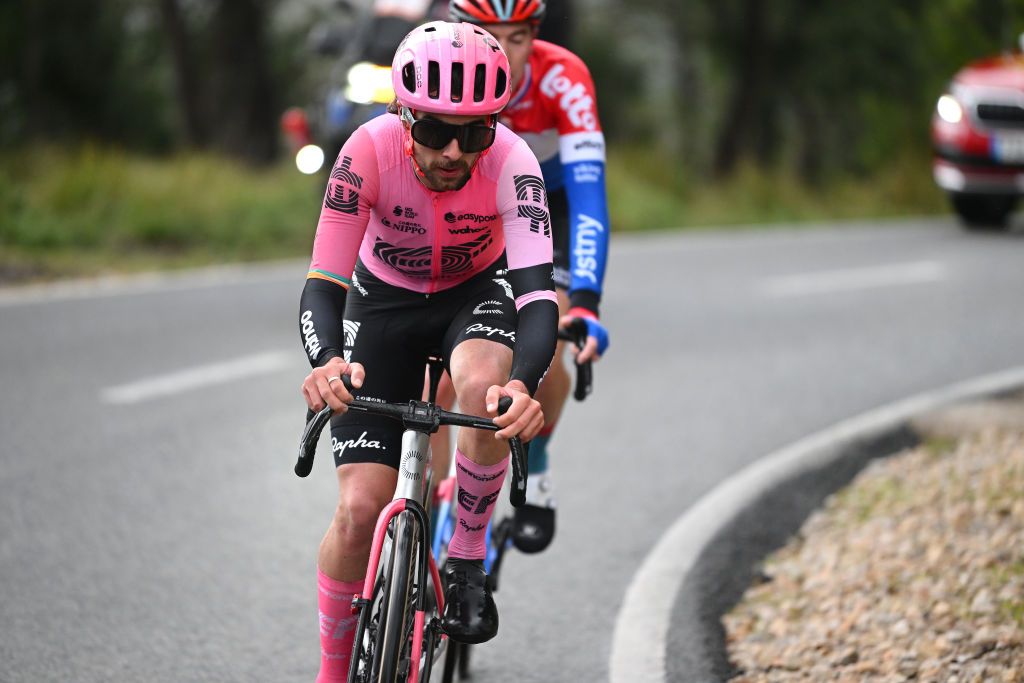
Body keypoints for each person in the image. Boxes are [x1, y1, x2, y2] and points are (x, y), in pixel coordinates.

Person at [298, 20, 558, 681]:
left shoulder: (515, 163)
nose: (453, 151)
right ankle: (332, 672)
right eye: (435, 130)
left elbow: (535, 301)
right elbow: (322, 284)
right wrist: (327, 360)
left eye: (474, 133)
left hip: (475, 295)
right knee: (359, 509)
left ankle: (466, 559)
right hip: (380, 302)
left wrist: (524, 384)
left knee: (482, 387)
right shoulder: (365, 152)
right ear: (402, 115)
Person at [445, 0, 611, 553]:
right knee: (444, 363)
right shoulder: (442, 66)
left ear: (534, 37)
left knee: (553, 323)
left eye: (517, 38)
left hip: (551, 202)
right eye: (487, 36)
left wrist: (586, 299)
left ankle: (534, 462)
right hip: (477, 202)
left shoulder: (563, 77)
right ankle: (431, 495)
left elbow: (588, 199)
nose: (503, 53)